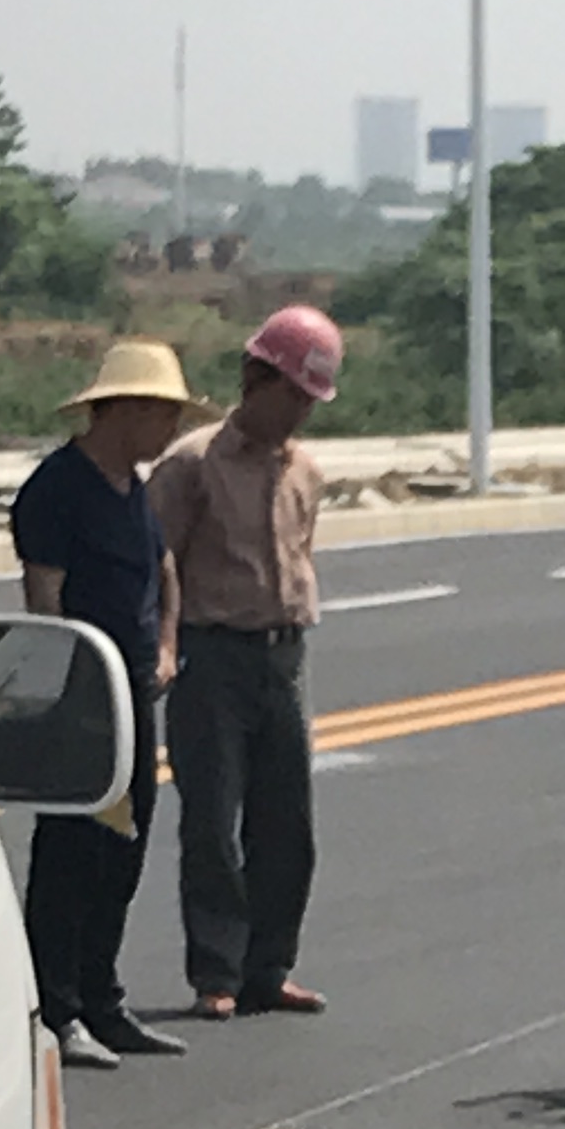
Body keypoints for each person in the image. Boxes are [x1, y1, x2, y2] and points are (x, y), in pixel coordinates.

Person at [147, 303, 343, 1019]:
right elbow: (157, 561)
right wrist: (165, 645)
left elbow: (300, 554)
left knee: (286, 822)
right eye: (291, 395)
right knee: (212, 819)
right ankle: (217, 973)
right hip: (212, 654)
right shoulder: (192, 465)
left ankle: (270, 966)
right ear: (254, 378)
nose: (299, 414)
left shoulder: (307, 474)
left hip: (282, 656)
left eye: (309, 402)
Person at [10, 337, 192, 1069]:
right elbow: (44, 598)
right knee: (72, 854)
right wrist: (71, 682)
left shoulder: (135, 493)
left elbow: (165, 570)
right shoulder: (58, 489)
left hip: (133, 702)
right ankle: (56, 1008)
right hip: (81, 701)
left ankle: (103, 997)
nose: (171, 431)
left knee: (125, 847)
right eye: (163, 415)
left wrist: (169, 647)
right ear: (124, 410)